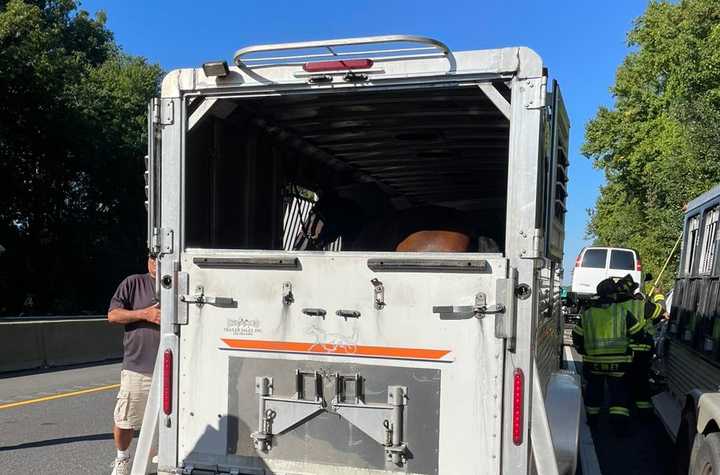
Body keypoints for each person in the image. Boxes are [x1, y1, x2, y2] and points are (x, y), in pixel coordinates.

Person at [107, 252, 161, 475]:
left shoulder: (180, 282)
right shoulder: (133, 283)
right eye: (152, 257)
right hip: (138, 366)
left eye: (160, 258)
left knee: (169, 422)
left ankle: (163, 457)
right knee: (125, 420)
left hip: (175, 369)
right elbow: (113, 315)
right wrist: (145, 314)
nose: (156, 262)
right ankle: (122, 458)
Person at [572, 276, 646, 435]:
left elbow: (577, 337)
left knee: (594, 391)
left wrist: (582, 350)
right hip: (620, 364)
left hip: (593, 363)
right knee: (619, 393)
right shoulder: (623, 312)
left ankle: (592, 421)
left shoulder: (587, 314)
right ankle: (618, 426)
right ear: (613, 295)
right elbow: (638, 334)